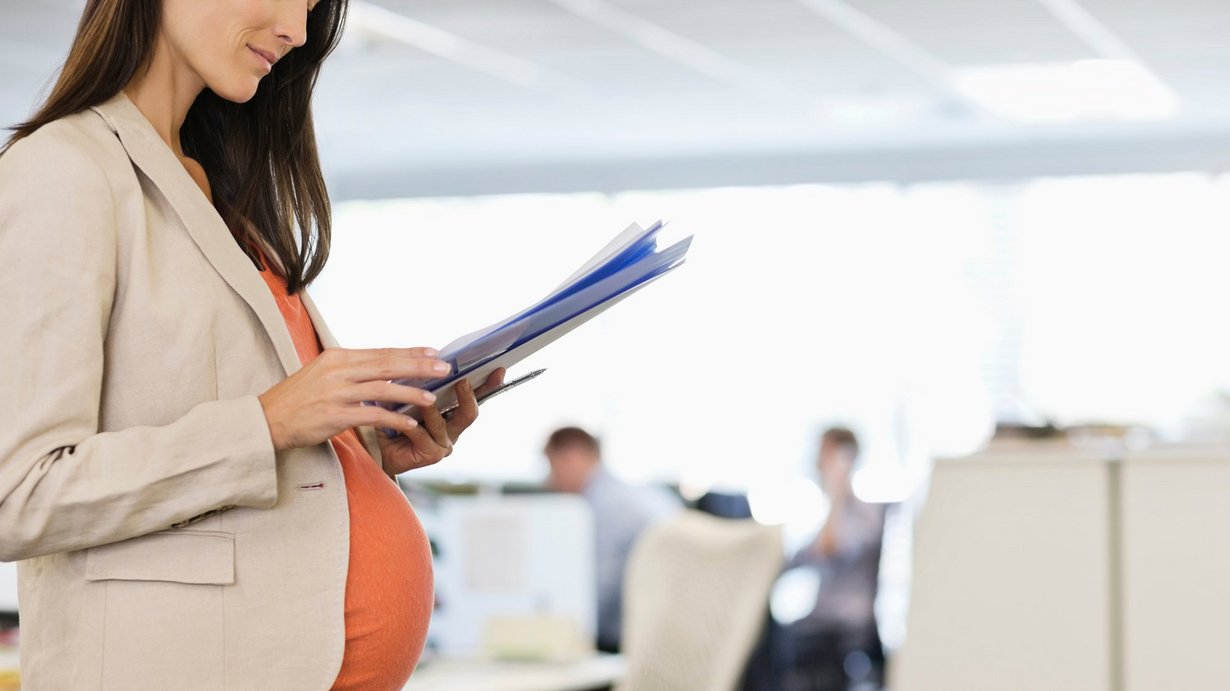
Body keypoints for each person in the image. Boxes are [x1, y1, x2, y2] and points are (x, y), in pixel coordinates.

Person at [0, 1, 505, 689]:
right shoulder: (64, 169)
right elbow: (19, 493)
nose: (298, 30)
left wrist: (366, 448)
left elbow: (247, 432)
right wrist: (268, 423)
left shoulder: (221, 192)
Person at [543, 426, 680, 653]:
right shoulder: (645, 494)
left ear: (573, 456)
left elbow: (598, 596)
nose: (550, 481)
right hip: (668, 634)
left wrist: (554, 635)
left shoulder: (605, 507)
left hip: (634, 644)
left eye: (551, 466)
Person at [783, 427, 887, 691]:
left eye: (825, 453)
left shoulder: (865, 511)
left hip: (844, 628)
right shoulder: (823, 510)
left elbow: (830, 548)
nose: (818, 461)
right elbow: (798, 559)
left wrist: (837, 491)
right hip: (819, 623)